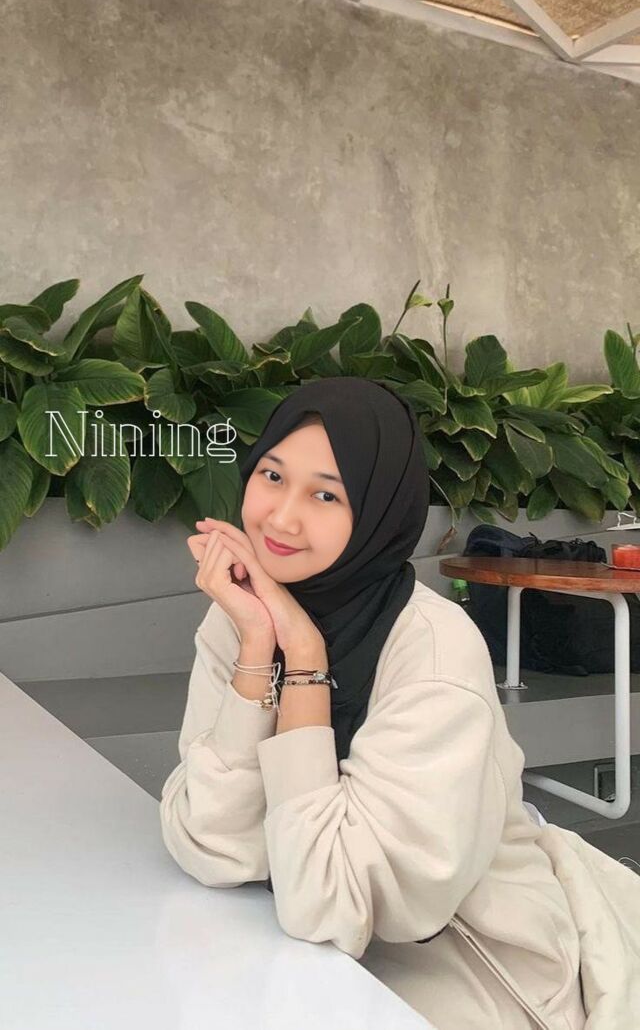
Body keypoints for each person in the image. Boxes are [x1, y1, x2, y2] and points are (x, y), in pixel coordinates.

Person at [160, 376, 640, 1030]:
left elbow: (329, 903)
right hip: (293, 949)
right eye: (271, 476)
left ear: (379, 510)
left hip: (466, 968)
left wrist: (304, 661)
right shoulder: (245, 617)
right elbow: (211, 842)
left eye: (326, 494)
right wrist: (256, 647)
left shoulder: (434, 654)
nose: (281, 517)